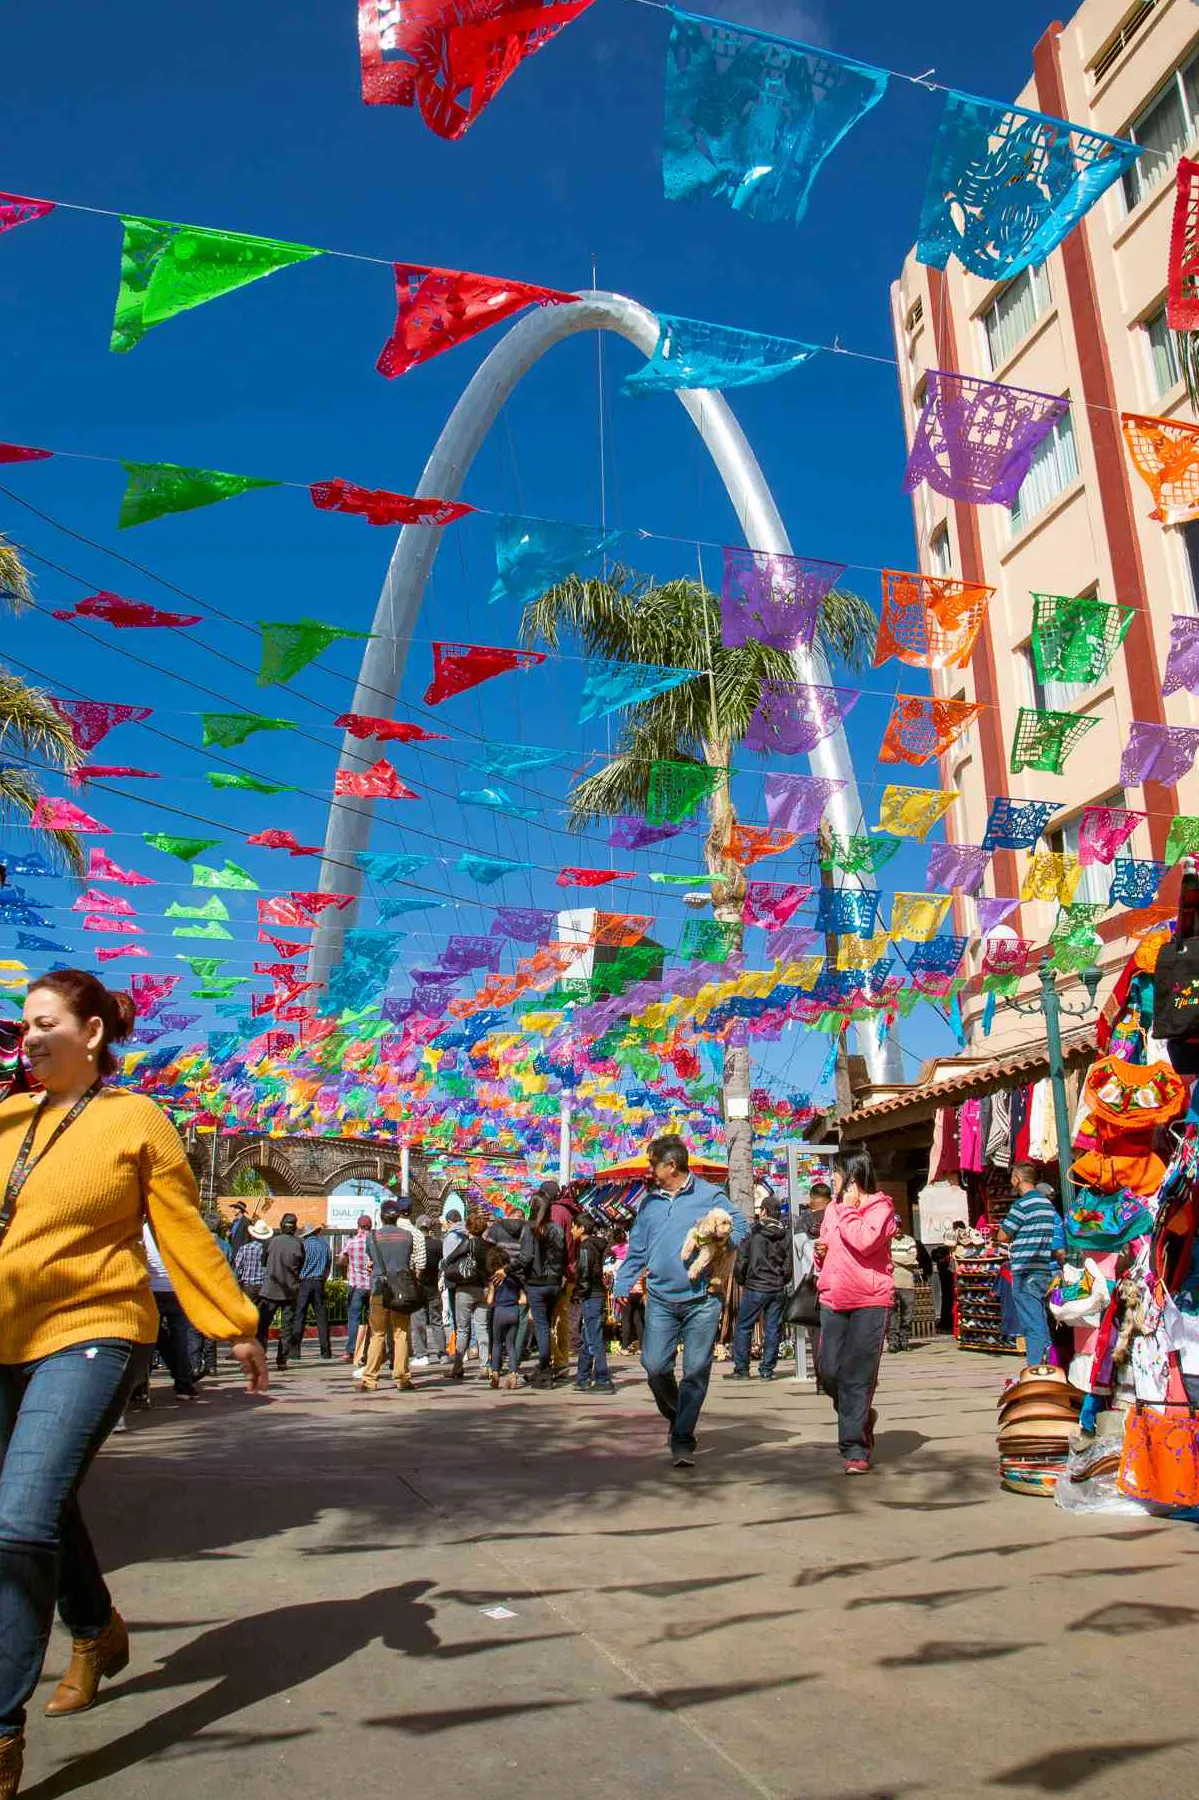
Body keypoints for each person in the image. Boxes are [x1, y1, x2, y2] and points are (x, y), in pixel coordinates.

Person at [0, 969, 266, 1800]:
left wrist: (236, 1324)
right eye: (23, 1026)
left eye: (46, 1023)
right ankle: (95, 1630)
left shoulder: (136, 1117)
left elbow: (181, 1230)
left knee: (13, 1525)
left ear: (91, 1033)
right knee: (41, 1504)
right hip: (6, 1334)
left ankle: (2, 1736)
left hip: (96, 1330)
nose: (29, 1037)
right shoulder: (6, 1118)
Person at [613, 1134, 747, 1468]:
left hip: (703, 1299)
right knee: (655, 1366)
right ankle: (678, 1414)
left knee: (695, 1370)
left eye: (652, 1163)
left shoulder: (709, 1194)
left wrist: (726, 1238)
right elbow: (638, 1248)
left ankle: (683, 1437)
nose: (650, 1170)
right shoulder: (649, 1202)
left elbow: (742, 1224)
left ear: (671, 1165)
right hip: (659, 1297)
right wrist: (622, 1283)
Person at [815, 1145, 896, 1476]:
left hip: (869, 1301)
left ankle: (855, 1447)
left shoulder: (882, 1208)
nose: (831, 1179)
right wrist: (821, 1253)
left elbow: (864, 1241)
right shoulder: (832, 1210)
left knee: (857, 1376)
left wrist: (848, 1210)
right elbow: (831, 1248)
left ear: (852, 1176)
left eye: (836, 1172)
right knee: (829, 1372)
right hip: (833, 1298)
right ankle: (860, 1415)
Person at [997, 1162, 1060, 1368]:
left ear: (1017, 1178)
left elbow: (1003, 1235)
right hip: (1043, 1269)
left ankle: (1034, 1370)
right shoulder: (1047, 1206)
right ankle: (1050, 1363)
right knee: (1042, 1320)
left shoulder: (1021, 1205)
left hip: (1024, 1271)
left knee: (1032, 1325)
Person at [361, 1200, 426, 1393]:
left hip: (379, 1288)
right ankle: (401, 1377)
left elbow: (371, 1261)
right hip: (401, 1289)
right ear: (397, 1216)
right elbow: (410, 1261)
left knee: (377, 1334)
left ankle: (370, 1378)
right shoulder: (407, 1236)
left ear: (381, 1216)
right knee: (401, 1334)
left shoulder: (372, 1237)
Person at [729, 1192, 793, 1381]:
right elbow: (788, 1265)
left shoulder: (752, 1232)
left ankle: (742, 1368)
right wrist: (782, 1280)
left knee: (744, 1326)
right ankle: (767, 1369)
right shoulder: (785, 1234)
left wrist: (741, 1280)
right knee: (773, 1328)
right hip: (776, 1287)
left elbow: (741, 1260)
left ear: (764, 1211)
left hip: (755, 1286)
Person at [142, 1224, 199, 1400]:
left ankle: (141, 1388)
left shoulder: (142, 1229)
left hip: (152, 1290)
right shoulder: (178, 1226)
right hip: (176, 1290)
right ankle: (183, 1383)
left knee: (149, 1340)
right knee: (180, 1339)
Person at [518, 1190, 566, 1388]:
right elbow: (563, 1255)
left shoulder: (530, 1229)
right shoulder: (556, 1229)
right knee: (546, 1325)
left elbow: (526, 1257)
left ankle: (545, 1372)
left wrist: (510, 1270)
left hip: (536, 1284)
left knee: (542, 1327)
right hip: (554, 1283)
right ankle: (543, 1368)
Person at [443, 1209, 490, 1380]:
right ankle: (485, 1366)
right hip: (484, 1289)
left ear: (469, 1228)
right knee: (482, 1328)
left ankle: (458, 1367)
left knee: (463, 1330)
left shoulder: (466, 1244)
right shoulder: (488, 1246)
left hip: (464, 1289)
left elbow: (449, 1260)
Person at [793, 1180, 831, 1389]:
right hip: (836, 1282)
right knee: (836, 1331)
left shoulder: (802, 1223)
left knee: (815, 1334)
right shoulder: (836, 1218)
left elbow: (801, 1254)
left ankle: (821, 1380)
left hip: (811, 1284)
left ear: (811, 1199)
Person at [572, 1217, 615, 1393]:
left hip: (591, 1295)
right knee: (588, 1334)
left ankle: (603, 1378)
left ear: (581, 1228)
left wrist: (578, 1292)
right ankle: (582, 1376)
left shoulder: (585, 1247)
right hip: (595, 1294)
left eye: (573, 1227)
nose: (571, 1230)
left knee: (594, 1336)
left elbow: (584, 1273)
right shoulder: (596, 1245)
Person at [256, 1214, 303, 1371]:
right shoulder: (298, 1244)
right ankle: (282, 1359)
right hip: (290, 1290)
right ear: (295, 1228)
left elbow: (264, 1262)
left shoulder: (271, 1242)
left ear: (281, 1226)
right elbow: (301, 1265)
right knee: (286, 1327)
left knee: (262, 1325)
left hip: (270, 1289)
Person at [545, 1179, 582, 1376]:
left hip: (559, 1271)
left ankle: (558, 1359)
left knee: (547, 1319)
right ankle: (562, 1359)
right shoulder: (568, 1211)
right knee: (562, 1316)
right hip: (569, 1270)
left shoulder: (556, 1212)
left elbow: (557, 1243)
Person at [290, 1226, 333, 1361]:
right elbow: (328, 1265)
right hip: (319, 1282)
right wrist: (323, 1279)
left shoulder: (303, 1246)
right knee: (321, 1317)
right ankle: (326, 1351)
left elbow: (297, 1265)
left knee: (299, 1316)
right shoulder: (325, 1246)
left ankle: (295, 1352)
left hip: (304, 1282)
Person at [410, 1214, 446, 1367]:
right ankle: (443, 1353)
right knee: (437, 1321)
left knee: (418, 1322)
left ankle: (421, 1354)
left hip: (417, 1287)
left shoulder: (414, 1244)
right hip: (433, 1286)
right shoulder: (439, 1244)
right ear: (430, 1227)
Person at [486, 1244, 524, 1389]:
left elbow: (490, 1300)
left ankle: (495, 1374)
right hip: (514, 1311)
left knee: (496, 1344)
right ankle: (513, 1375)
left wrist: (491, 1300)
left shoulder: (493, 1279)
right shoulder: (515, 1279)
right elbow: (523, 1299)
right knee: (511, 1345)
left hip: (499, 1311)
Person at [338, 1213, 374, 1363]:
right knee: (373, 1319)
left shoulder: (351, 1243)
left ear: (358, 1226)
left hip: (356, 1286)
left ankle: (351, 1350)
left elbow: (341, 1259)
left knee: (354, 1319)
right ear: (370, 1227)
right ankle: (371, 1349)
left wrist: (349, 1263)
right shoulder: (374, 1242)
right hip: (372, 1286)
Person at [887, 1218, 920, 1353]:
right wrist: (903, 1261)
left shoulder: (910, 1240)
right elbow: (884, 1258)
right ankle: (893, 1342)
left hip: (907, 1283)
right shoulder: (886, 1241)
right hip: (890, 1283)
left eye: (899, 1225)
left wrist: (893, 1260)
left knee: (907, 1314)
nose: (897, 1228)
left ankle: (904, 1340)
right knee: (891, 1315)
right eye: (895, 1226)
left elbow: (912, 1259)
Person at [234, 1218, 271, 1304]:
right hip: (263, 1286)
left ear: (252, 1235)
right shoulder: (268, 1249)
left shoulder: (244, 1248)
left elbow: (237, 1267)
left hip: (248, 1285)